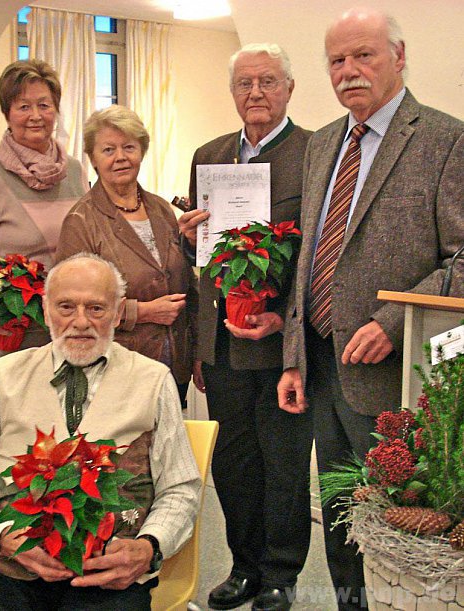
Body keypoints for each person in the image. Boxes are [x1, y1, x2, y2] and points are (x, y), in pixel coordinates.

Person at [276, 8, 464, 610]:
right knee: (339, 517)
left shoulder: (446, 139)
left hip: (395, 375)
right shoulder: (324, 142)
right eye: (337, 60)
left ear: (399, 57)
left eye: (364, 56)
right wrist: (295, 358)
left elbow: (462, 258)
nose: (349, 71)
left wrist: (394, 322)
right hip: (325, 368)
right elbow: (312, 255)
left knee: (396, 522)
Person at [0, 253, 201, 610]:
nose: (81, 322)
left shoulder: (153, 380)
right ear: (46, 310)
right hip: (11, 565)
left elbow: (181, 488)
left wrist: (148, 547)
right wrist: (1, 537)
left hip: (110, 569)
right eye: (66, 307)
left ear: (117, 311)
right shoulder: (0, 377)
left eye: (96, 308)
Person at [178, 44, 313, 611]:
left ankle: (281, 573)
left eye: (267, 82)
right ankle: (244, 566)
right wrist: (190, 238)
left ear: (288, 87)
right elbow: (204, 262)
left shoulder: (315, 151)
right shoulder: (208, 155)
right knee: (232, 463)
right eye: (244, 84)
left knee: (282, 463)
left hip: (281, 341)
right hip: (222, 341)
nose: (255, 93)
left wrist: (288, 322)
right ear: (231, 92)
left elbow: (316, 254)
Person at [55, 105, 198, 406]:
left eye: (129, 147)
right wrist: (144, 312)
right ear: (93, 158)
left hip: (175, 364)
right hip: (118, 368)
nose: (120, 157)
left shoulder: (161, 209)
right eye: (108, 149)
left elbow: (184, 283)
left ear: (141, 151)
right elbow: (69, 307)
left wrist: (197, 353)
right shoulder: (81, 221)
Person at [0, 59, 87, 354]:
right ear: (7, 113)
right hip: (22, 332)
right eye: (23, 106)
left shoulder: (76, 172)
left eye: (44, 105)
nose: (35, 116)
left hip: (79, 326)